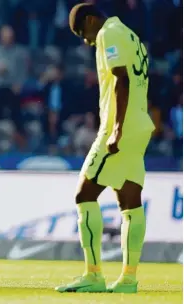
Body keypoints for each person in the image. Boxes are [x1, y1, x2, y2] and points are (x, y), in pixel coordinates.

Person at [55, 3, 155, 294]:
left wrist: (117, 129)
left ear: (90, 20)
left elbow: (121, 78)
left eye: (81, 32)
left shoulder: (107, 33)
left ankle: (93, 274)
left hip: (119, 127)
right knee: (130, 202)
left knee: (84, 194)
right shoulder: (132, 37)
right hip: (141, 126)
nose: (85, 41)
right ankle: (128, 278)